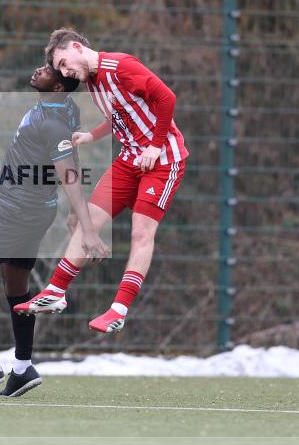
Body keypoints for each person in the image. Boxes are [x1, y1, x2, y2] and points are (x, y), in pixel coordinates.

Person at [14, 28, 188, 334]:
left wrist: (154, 145)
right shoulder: (91, 80)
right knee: (87, 223)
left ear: (78, 47)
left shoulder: (121, 67)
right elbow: (121, 114)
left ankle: (118, 310)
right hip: (130, 160)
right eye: (61, 69)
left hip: (163, 161)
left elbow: (166, 98)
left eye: (65, 63)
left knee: (141, 234)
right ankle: (55, 292)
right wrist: (91, 136)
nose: (66, 72)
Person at [0, 64, 106, 397]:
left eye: (48, 70)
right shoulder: (63, 108)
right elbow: (72, 153)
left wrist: (87, 226)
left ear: (59, 88)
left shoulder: (51, 123)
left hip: (15, 211)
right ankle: (21, 368)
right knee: (16, 286)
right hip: (33, 212)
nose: (38, 70)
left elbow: (68, 173)